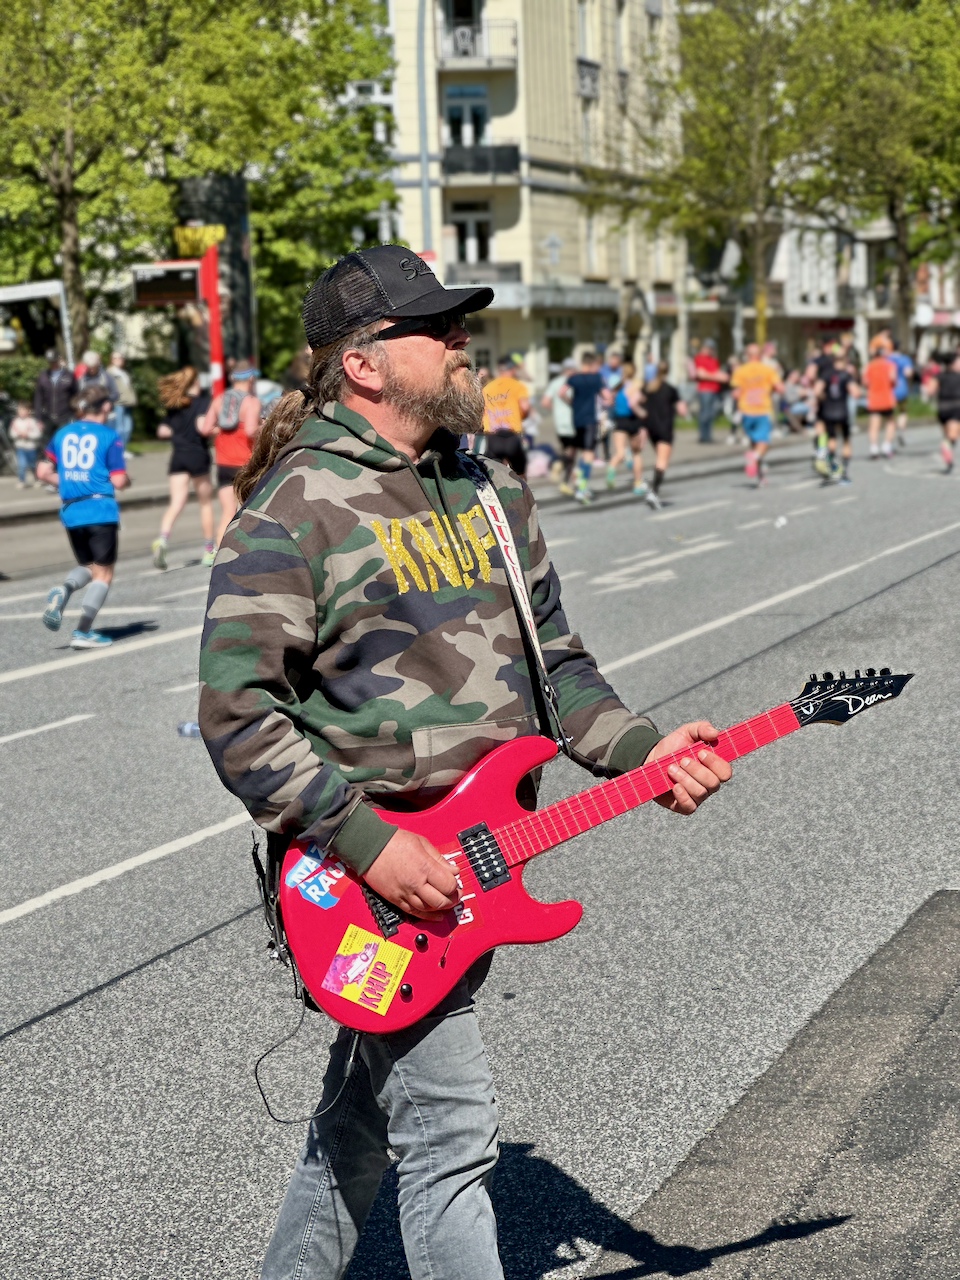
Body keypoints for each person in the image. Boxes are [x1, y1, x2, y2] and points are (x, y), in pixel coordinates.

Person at [196, 243, 732, 1280]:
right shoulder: (292, 511)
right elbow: (238, 713)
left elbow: (560, 672)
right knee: (451, 1131)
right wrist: (371, 843)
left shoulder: (491, 495)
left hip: (475, 864)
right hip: (363, 881)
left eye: (459, 327)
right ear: (364, 362)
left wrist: (645, 749)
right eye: (436, 331)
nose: (461, 345)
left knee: (358, 1132)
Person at [36, 388, 129, 649]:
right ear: (106, 406)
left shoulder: (62, 434)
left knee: (88, 566)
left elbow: (42, 471)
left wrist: (65, 481)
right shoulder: (110, 436)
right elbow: (119, 480)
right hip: (100, 509)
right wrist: (125, 480)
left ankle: (64, 590)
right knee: (104, 572)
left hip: (71, 511)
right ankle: (83, 631)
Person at [151, 366, 215, 569]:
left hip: (178, 457)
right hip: (197, 455)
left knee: (176, 502)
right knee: (205, 503)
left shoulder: (175, 405)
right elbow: (201, 427)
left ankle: (162, 539)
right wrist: (215, 430)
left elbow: (162, 431)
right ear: (196, 383)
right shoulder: (203, 403)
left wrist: (177, 434)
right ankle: (208, 550)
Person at [199, 364, 262, 547]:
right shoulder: (251, 402)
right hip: (245, 463)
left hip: (223, 464)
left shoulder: (219, 400)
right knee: (250, 510)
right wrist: (265, 426)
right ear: (250, 379)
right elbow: (251, 431)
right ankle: (249, 551)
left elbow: (205, 428)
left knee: (228, 512)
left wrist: (221, 429)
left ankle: (219, 552)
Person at [561, 350, 611, 504]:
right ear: (592, 364)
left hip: (577, 420)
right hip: (590, 419)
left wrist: (571, 403)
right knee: (589, 454)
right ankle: (581, 489)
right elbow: (607, 397)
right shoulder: (596, 378)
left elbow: (561, 392)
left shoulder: (573, 378)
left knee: (583, 451)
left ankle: (578, 476)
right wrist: (607, 403)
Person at [730, 343, 783, 485]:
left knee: (755, 443)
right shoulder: (768, 369)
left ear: (746, 355)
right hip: (762, 410)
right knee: (764, 442)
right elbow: (780, 387)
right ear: (760, 355)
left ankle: (760, 475)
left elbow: (735, 393)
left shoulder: (740, 370)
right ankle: (754, 459)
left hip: (745, 411)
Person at [640, 360, 687, 510]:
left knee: (659, 458)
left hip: (650, 427)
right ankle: (653, 492)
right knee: (662, 461)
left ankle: (651, 489)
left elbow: (639, 405)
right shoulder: (670, 389)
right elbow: (682, 411)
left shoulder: (646, 388)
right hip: (664, 427)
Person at [813, 350, 862, 485]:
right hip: (842, 411)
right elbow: (856, 393)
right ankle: (844, 470)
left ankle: (832, 467)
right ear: (845, 360)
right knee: (846, 440)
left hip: (828, 411)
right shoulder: (846, 375)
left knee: (832, 438)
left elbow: (817, 391)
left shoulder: (826, 374)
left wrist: (824, 397)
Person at [481, 353, 530, 476]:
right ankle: (523, 494)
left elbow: (480, 412)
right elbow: (525, 407)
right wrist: (522, 416)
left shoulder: (487, 388)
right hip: (511, 435)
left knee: (497, 475)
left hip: (492, 437)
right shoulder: (517, 386)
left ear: (498, 369)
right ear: (513, 369)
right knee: (520, 474)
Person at [606, 360, 648, 495]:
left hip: (619, 421)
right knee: (636, 453)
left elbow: (610, 402)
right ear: (634, 372)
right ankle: (637, 484)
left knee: (620, 452)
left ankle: (611, 471)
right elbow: (641, 401)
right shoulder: (635, 386)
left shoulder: (617, 387)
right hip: (633, 421)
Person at [541, 357, 577, 494]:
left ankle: (571, 477)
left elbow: (544, 402)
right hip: (572, 421)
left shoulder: (555, 382)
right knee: (571, 453)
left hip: (559, 422)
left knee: (567, 449)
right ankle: (562, 472)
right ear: (572, 369)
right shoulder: (573, 383)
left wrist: (555, 409)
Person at [33, 348, 77, 441]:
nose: (52, 363)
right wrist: (38, 418)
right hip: (48, 417)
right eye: (50, 361)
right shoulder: (43, 375)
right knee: (48, 445)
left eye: (54, 361)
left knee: (64, 442)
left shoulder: (69, 375)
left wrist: (74, 414)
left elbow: (75, 395)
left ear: (58, 359)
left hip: (65, 417)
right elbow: (38, 397)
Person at [863, 346, 897, 460]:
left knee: (873, 425)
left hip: (873, 399)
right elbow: (893, 379)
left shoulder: (869, 365)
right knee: (890, 422)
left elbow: (865, 381)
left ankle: (874, 448)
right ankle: (886, 446)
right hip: (887, 398)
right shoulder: (890, 365)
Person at [692, 338, 728, 443]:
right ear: (704, 347)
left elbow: (715, 372)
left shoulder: (713, 359)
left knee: (712, 413)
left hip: (715, 389)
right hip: (704, 389)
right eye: (709, 347)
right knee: (704, 413)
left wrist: (722, 375)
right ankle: (703, 436)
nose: (711, 350)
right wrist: (717, 377)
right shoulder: (699, 358)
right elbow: (700, 374)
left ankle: (708, 435)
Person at [931, 349, 960, 474]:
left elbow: (929, 390)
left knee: (948, 435)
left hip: (942, 407)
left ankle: (948, 459)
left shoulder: (938, 376)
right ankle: (947, 453)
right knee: (951, 437)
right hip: (955, 407)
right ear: (954, 362)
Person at [107, 351, 138, 456]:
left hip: (128, 403)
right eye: (116, 358)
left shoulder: (124, 373)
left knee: (128, 428)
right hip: (117, 404)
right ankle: (118, 451)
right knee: (119, 428)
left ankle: (123, 449)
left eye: (120, 358)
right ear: (112, 360)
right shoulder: (109, 373)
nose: (119, 360)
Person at [9, 400, 43, 487]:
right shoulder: (15, 421)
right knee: (21, 464)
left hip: (31, 447)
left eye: (24, 409)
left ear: (28, 411)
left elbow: (38, 434)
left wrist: (28, 435)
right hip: (20, 446)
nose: (21, 412)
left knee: (32, 464)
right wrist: (18, 434)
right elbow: (11, 433)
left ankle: (36, 478)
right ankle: (21, 480)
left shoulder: (32, 421)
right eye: (20, 409)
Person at [887, 340, 913, 449]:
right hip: (901, 388)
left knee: (890, 414)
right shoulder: (905, 359)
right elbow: (908, 373)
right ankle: (900, 431)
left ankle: (890, 436)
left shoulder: (886, 359)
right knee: (902, 412)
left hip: (888, 390)